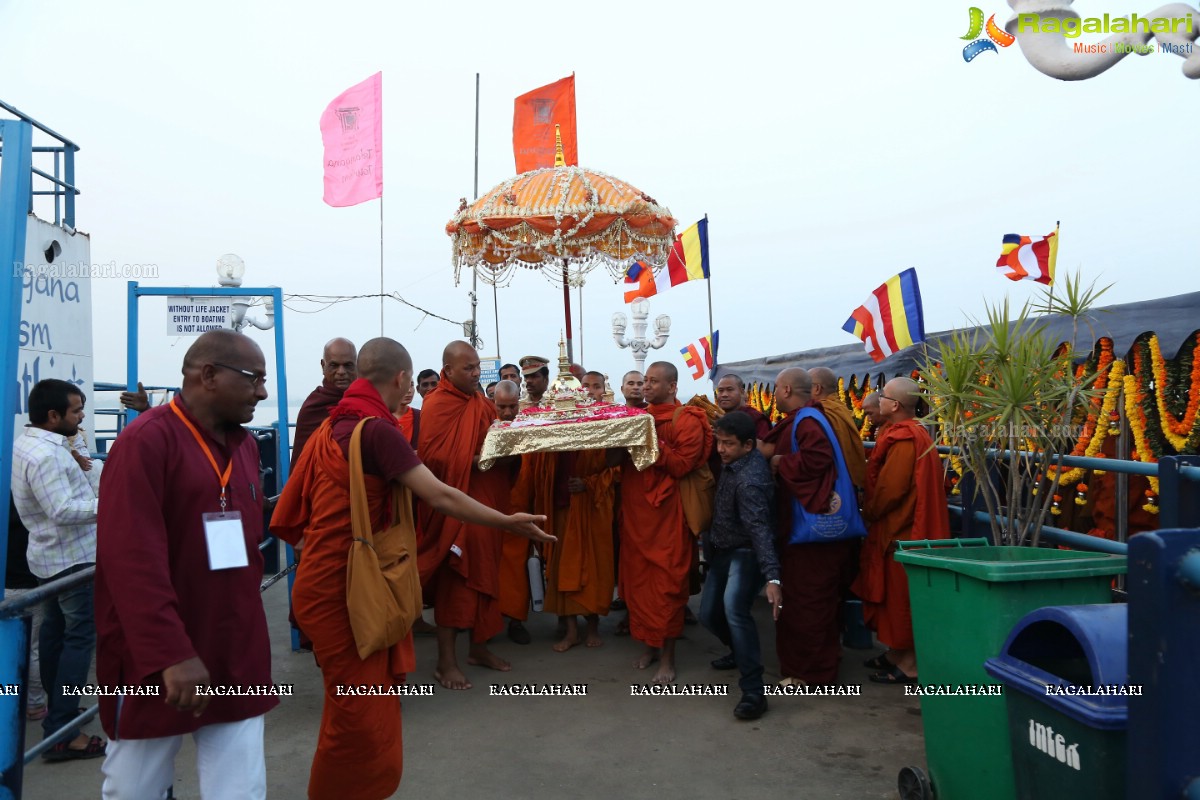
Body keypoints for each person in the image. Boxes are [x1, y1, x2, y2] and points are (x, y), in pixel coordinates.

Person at [272, 338, 550, 799]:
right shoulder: (375, 430)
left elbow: (295, 506)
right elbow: (439, 493)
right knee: (355, 719)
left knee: (355, 708)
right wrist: (507, 521)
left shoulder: (334, 424)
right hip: (349, 588)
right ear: (402, 380)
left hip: (326, 576)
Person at [94, 329, 276, 796]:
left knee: (241, 789)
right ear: (208, 376)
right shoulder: (145, 442)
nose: (262, 391)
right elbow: (131, 561)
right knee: (135, 787)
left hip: (235, 645)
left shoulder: (247, 445)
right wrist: (171, 654)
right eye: (253, 378)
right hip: (158, 659)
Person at [418, 342, 524, 689]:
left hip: (489, 502)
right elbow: (434, 461)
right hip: (457, 507)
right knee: (456, 581)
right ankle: (445, 662)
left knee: (487, 574)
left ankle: (479, 647)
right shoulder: (437, 404)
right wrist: (477, 460)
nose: (477, 373)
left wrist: (509, 451)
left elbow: (496, 446)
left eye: (477, 367)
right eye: (468, 369)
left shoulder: (481, 403)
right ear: (446, 370)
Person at [11, 379, 104, 761]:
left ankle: (60, 715)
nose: (82, 418)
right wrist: (112, 502)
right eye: (76, 412)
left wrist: (80, 452)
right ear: (53, 416)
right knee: (77, 640)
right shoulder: (47, 455)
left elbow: (79, 471)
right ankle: (64, 728)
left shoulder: (34, 442)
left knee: (55, 636)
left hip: (49, 558)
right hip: (72, 557)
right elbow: (63, 510)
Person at [615, 361, 711, 684]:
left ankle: (668, 657)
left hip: (668, 516)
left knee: (668, 586)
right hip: (637, 514)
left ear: (672, 386)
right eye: (645, 381)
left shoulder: (688, 420)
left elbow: (682, 465)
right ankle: (649, 647)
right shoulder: (637, 418)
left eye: (654, 382)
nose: (646, 387)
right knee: (639, 585)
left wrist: (649, 439)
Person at [761, 368, 855, 687]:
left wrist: (779, 463)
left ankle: (810, 673)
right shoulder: (807, 418)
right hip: (803, 528)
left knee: (806, 603)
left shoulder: (808, 420)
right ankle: (821, 663)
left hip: (811, 533)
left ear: (787, 389)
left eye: (775, 389)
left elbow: (817, 459)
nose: (773, 394)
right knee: (819, 600)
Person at [853, 377, 949, 683]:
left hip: (903, 532)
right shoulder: (903, 433)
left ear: (894, 405)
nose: (877, 400)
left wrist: (868, 511)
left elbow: (891, 490)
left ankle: (910, 664)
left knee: (901, 599)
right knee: (893, 598)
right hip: (896, 529)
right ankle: (896, 652)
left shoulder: (906, 438)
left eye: (882, 396)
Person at [700, 411, 781, 720]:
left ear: (748, 446)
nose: (721, 450)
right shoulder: (734, 462)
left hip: (745, 553)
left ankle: (754, 691)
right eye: (719, 442)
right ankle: (738, 651)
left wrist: (773, 577)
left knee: (735, 611)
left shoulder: (750, 482)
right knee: (709, 613)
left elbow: (760, 530)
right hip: (722, 549)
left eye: (728, 444)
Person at [544, 371, 617, 651]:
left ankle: (593, 626)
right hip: (564, 505)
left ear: (604, 390)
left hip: (594, 506)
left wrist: (588, 484)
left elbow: (616, 469)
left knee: (596, 568)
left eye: (596, 386)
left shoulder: (610, 421)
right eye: (584, 386)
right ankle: (571, 630)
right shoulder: (558, 420)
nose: (589, 391)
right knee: (565, 565)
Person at [292, 338, 357, 468]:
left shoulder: (366, 401)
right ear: (323, 366)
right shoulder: (314, 407)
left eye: (348, 365)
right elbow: (301, 464)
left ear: (357, 366)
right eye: (334, 365)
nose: (341, 372)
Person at [809, 367, 867, 492]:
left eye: (805, 386)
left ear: (817, 388)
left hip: (832, 485)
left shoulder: (822, 412)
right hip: (848, 482)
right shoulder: (840, 408)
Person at [714, 375, 772, 442]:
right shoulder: (717, 418)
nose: (724, 394)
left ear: (742, 392)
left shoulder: (755, 418)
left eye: (730, 390)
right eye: (720, 390)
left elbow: (764, 449)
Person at [395, 381, 420, 448]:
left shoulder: (420, 416)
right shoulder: (378, 417)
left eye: (411, 385)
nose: (409, 391)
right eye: (402, 385)